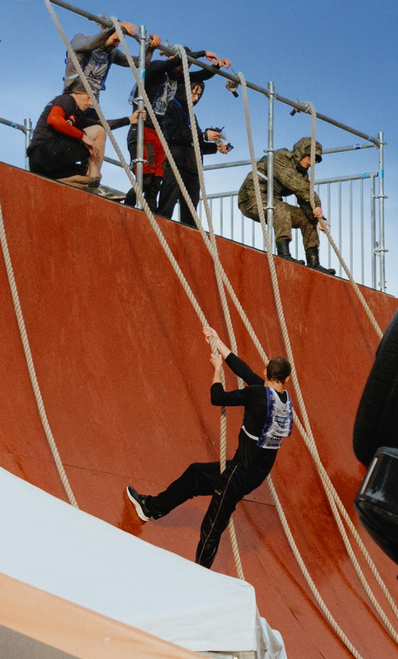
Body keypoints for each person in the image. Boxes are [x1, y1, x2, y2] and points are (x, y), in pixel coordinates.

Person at [127, 328, 296, 569]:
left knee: (211, 527)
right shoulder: (282, 400)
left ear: (265, 372)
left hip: (238, 474)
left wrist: (217, 370)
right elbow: (244, 371)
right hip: (252, 473)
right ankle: (151, 507)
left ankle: (202, 576)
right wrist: (217, 342)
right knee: (196, 474)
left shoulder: (256, 394)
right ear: (286, 379)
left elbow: (217, 398)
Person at [137, 42, 231, 224]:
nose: (195, 98)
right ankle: (142, 213)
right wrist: (202, 52)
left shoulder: (191, 115)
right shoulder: (171, 102)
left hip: (192, 167)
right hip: (172, 160)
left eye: (199, 95)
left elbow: (195, 142)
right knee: (162, 202)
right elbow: (174, 134)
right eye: (193, 93)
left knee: (190, 215)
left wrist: (215, 146)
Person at [236, 136, 330, 269]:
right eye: (310, 157)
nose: (311, 163)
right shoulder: (280, 158)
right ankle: (284, 254)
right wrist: (317, 204)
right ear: (301, 153)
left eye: (315, 160)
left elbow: (304, 197)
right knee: (281, 208)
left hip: (272, 202)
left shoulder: (302, 174)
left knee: (306, 218)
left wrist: (318, 219)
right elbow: (298, 185)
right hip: (251, 200)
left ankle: (314, 262)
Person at [26, 77, 113, 194]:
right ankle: (95, 180)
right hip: (46, 150)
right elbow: (53, 119)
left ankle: (86, 184)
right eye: (89, 98)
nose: (90, 103)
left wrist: (128, 120)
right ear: (78, 92)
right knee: (99, 132)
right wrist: (83, 137)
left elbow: (102, 124)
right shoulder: (67, 99)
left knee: (85, 176)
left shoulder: (74, 116)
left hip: (39, 165)